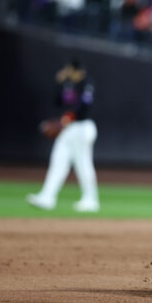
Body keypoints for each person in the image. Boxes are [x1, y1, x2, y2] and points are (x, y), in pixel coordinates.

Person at [27, 59, 100, 212]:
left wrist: (65, 120)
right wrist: (59, 83)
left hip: (82, 127)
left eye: (70, 71)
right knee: (58, 161)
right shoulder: (69, 84)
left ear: (77, 70)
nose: (68, 73)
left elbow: (83, 109)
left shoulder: (87, 83)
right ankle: (47, 197)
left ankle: (91, 199)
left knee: (83, 165)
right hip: (69, 129)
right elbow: (58, 102)